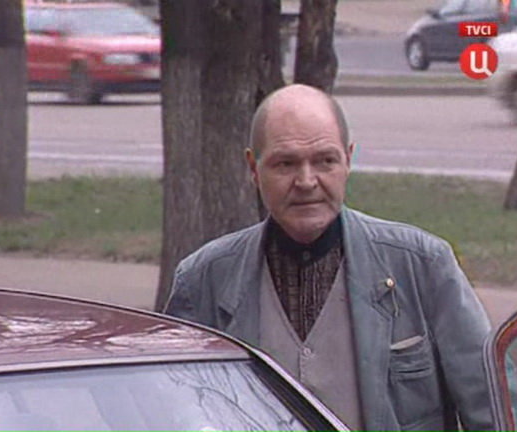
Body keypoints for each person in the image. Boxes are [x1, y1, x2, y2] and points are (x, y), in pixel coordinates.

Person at [164, 84, 494, 431]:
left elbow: (495, 408)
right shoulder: (204, 280)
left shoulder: (421, 265)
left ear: (348, 160)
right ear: (253, 168)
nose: (306, 181)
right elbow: (171, 409)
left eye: (325, 161)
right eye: (286, 163)